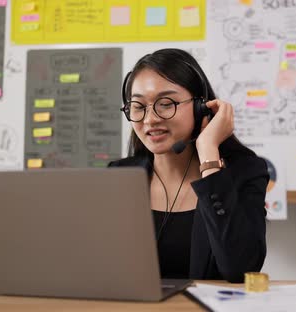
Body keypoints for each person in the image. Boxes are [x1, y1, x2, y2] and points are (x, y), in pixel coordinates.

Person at [108, 49, 268, 283]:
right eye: (138, 106)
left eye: (166, 103)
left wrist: (209, 154)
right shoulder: (118, 177)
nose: (150, 119)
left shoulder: (245, 172)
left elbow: (240, 269)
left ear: (200, 106)